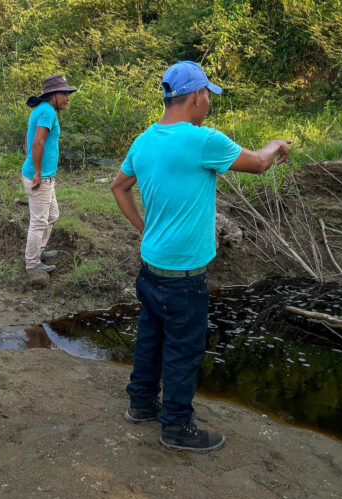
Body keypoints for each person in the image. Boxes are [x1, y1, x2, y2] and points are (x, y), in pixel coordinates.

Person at [110, 61, 291, 452]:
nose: (209, 102)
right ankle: (176, 427)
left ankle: (141, 405)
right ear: (196, 96)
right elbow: (259, 164)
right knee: (184, 349)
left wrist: (146, 230)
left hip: (150, 268)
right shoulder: (203, 140)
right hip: (185, 279)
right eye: (208, 94)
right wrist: (278, 144)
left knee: (150, 336)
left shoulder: (143, 141)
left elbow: (119, 188)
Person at [21, 74, 77, 273]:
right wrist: (37, 172)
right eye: (64, 94)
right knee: (38, 222)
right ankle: (32, 263)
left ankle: (39, 251)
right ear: (52, 95)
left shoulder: (43, 110)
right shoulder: (47, 112)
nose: (67, 98)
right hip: (40, 177)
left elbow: (29, 140)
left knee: (53, 215)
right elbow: (38, 142)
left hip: (44, 176)